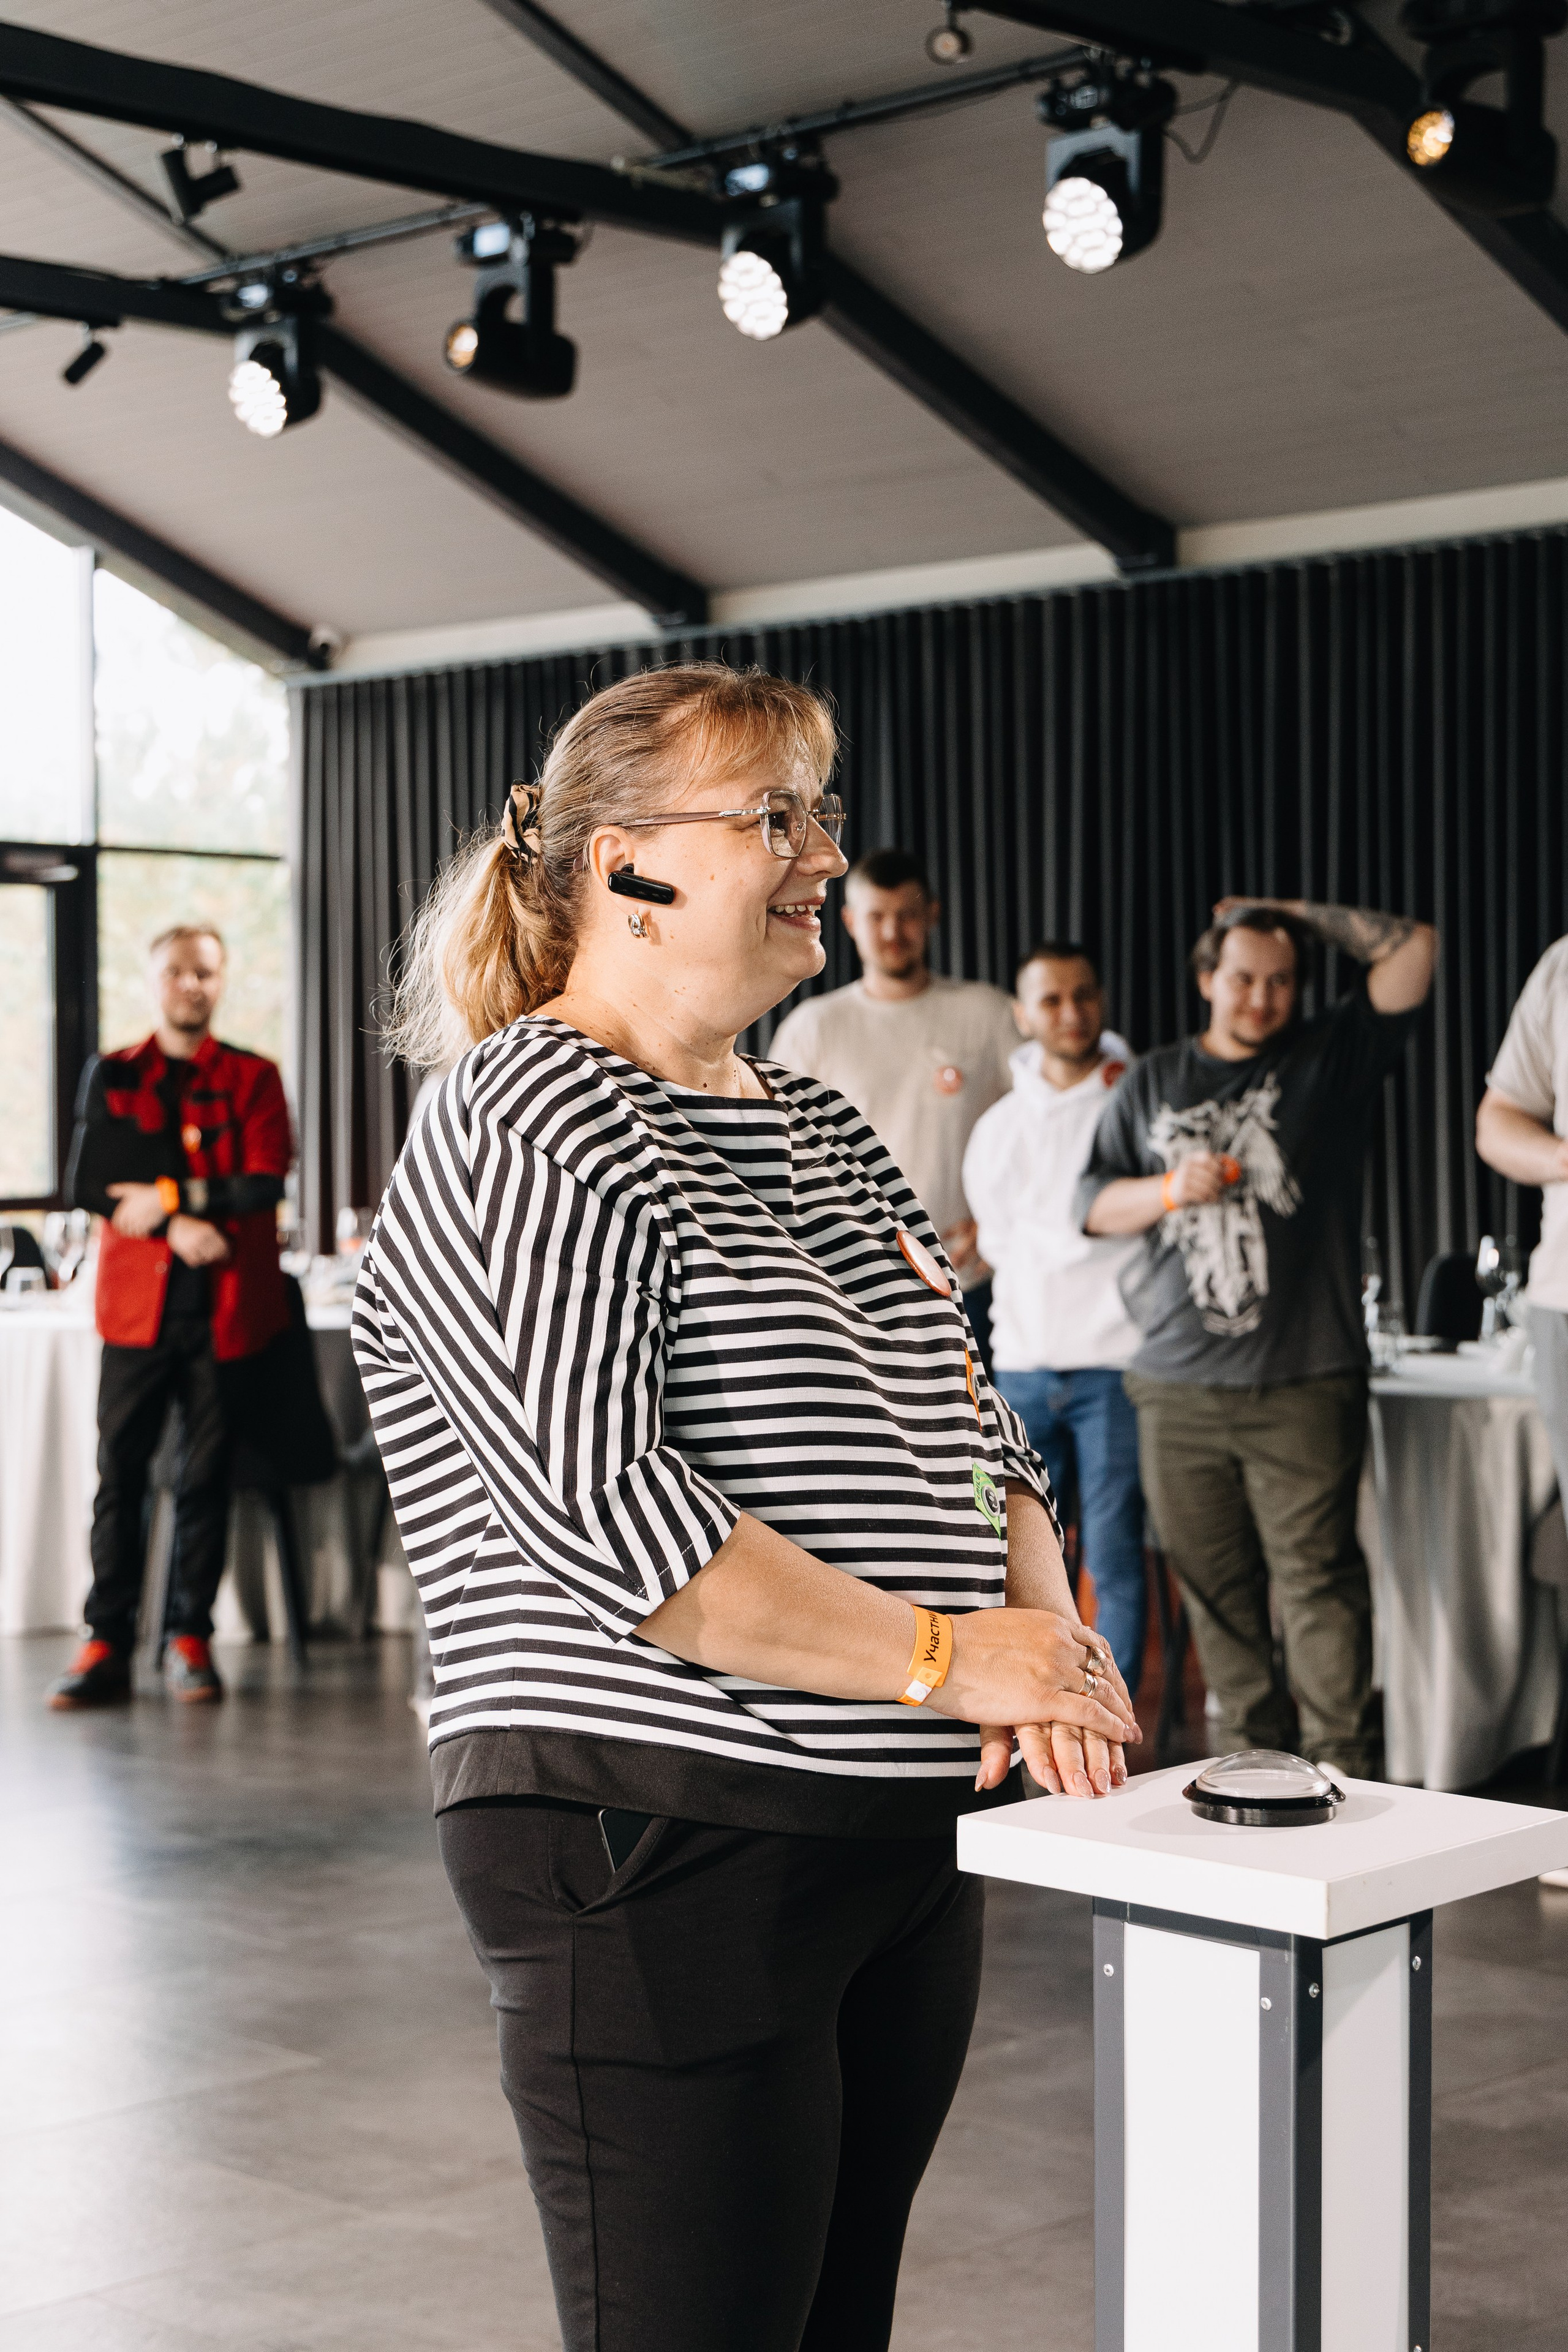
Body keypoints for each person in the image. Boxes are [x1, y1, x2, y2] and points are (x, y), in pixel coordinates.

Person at [357, 665, 1139, 2352]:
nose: (822, 858)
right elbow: (622, 1527)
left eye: (823, 812)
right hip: (658, 1844)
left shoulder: (821, 1120)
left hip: (888, 1840)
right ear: (627, 865)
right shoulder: (524, 1117)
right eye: (772, 818)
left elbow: (972, 1420)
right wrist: (956, 1658)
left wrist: (1053, 1654)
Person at [1079, 897, 1438, 1776]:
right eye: (1242, 977)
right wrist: (1169, 1189)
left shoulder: (1327, 1058)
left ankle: (1339, 1777)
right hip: (1176, 1388)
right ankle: (1251, 1774)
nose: (1261, 997)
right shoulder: (1153, 1080)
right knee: (1218, 1596)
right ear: (1207, 980)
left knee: (1319, 1588)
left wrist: (1289, 916)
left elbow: (1414, 952)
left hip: (1305, 1380)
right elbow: (1092, 1206)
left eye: (1281, 981)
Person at [48, 924, 293, 1709]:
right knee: (119, 1474)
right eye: (179, 972)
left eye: (206, 972)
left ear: (220, 983)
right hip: (135, 1308)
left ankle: (190, 1636)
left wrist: (168, 1199)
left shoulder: (256, 1077)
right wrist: (184, 1219)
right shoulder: (114, 1072)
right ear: (155, 981)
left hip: (223, 1307)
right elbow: (91, 1184)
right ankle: (105, 1640)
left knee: (205, 1478)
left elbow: (262, 1183)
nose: (192, 985)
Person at [962, 943, 1147, 1694]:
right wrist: (1084, 1226)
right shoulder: (1000, 1127)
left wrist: (1061, 1230)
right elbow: (999, 1244)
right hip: (1027, 1366)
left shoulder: (1136, 1103)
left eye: (1083, 995)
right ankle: (1045, 1709)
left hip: (1117, 1363)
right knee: (1022, 1561)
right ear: (1022, 1014)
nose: (1070, 1014)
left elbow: (1143, 1225)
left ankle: (1115, 1723)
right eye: (1051, 1000)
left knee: (1113, 1555)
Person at [769, 846, 1019, 1354]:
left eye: (907, 915)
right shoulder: (813, 1029)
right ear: (849, 921)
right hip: (854, 1284)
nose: (892, 932)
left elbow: (1043, 1129)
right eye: (877, 916)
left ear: (932, 915)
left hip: (974, 1280)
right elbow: (776, 1159)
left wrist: (1001, 1222)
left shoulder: (987, 1013)